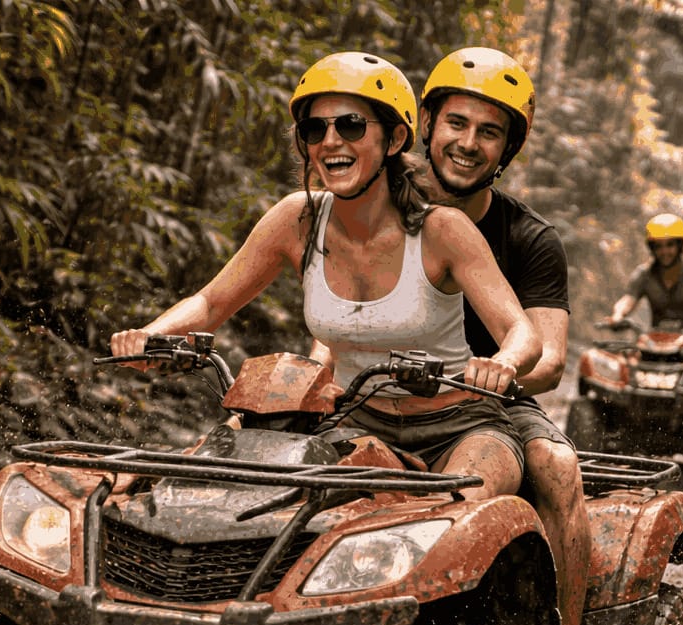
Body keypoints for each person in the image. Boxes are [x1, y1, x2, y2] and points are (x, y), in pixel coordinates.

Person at [109, 52, 539, 501]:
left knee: (454, 520)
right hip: (354, 423)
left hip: (462, 428)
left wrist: (503, 363)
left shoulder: (443, 229)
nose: (331, 141)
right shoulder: (297, 219)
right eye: (316, 129)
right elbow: (211, 303)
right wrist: (150, 335)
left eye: (351, 126)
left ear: (394, 139)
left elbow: (521, 330)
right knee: (255, 497)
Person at [417, 46, 590, 625]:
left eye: (489, 132)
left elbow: (548, 359)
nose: (469, 143)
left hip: (489, 400)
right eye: (457, 124)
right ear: (427, 126)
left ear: (507, 149)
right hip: (375, 393)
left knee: (555, 465)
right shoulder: (376, 205)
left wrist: (497, 371)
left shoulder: (531, 239)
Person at [606, 213, 683, 330]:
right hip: (654, 344)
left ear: (680, 245)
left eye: (670, 245)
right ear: (652, 249)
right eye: (658, 246)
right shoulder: (644, 274)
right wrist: (618, 315)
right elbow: (628, 300)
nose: (664, 252)